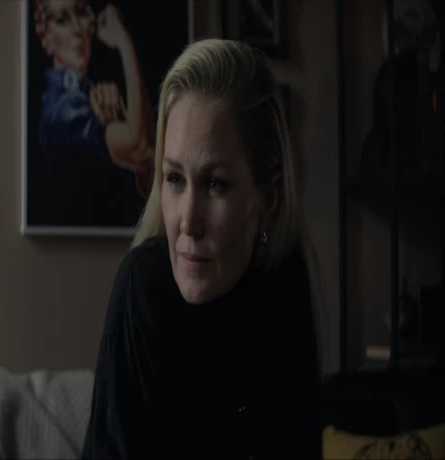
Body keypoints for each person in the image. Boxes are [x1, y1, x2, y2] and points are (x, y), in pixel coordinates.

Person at [82, 39, 323, 459]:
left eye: (216, 184)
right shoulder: (145, 286)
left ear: (269, 199)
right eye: (175, 179)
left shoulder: (284, 285)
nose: (188, 223)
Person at [33, 0, 154, 198]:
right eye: (62, 20)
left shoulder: (88, 93)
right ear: (45, 38)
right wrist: (124, 43)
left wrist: (119, 116)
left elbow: (149, 180)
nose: (76, 29)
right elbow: (142, 150)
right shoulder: (61, 109)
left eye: (81, 13)